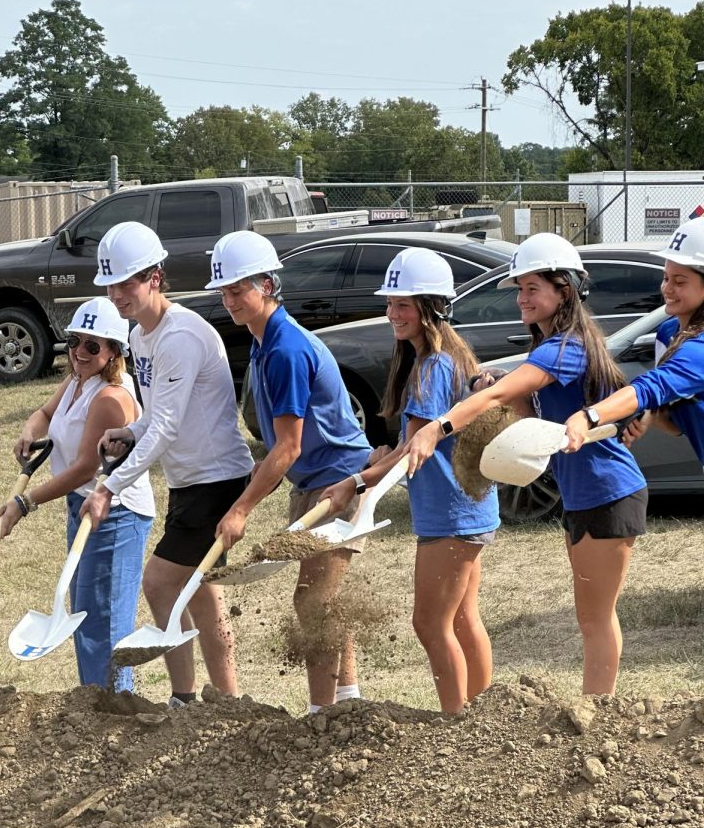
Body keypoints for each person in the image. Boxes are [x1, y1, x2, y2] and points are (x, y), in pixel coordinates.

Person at [407, 234, 648, 696]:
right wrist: (498, 386)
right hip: (584, 494)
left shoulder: (569, 346)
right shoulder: (553, 348)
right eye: (519, 289)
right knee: (590, 616)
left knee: (595, 618)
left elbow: (498, 398)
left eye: (532, 288)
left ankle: (597, 712)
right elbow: (530, 418)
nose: (522, 299)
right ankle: (596, 708)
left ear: (565, 291)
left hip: (610, 491)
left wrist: (437, 427)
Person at [563, 216, 704, 699]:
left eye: (681, 280)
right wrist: (649, 417)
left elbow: (651, 387)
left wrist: (589, 415)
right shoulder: (673, 333)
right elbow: (672, 409)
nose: (668, 287)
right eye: (667, 276)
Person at [79, 222, 253, 708]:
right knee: (198, 593)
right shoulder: (139, 336)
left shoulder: (181, 336)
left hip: (216, 477)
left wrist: (110, 487)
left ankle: (185, 697)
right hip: (190, 478)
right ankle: (227, 699)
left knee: (160, 582)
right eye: (110, 285)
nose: (117, 295)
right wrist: (128, 433)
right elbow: (155, 416)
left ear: (155, 277)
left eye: (127, 283)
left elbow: (168, 428)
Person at [322, 247, 501, 713]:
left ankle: (455, 721)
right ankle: (481, 719)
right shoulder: (445, 360)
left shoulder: (434, 366)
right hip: (468, 509)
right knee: (461, 618)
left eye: (403, 305)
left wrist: (356, 482)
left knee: (430, 623)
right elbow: (409, 445)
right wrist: (375, 465)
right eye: (390, 304)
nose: (392, 314)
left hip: (451, 515)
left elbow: (411, 451)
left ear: (432, 308)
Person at [206, 230, 372, 713]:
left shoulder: (283, 349)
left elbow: (289, 447)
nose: (230, 300)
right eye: (224, 291)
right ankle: (347, 700)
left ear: (268, 285)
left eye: (239, 290)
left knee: (313, 604)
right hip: (316, 480)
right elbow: (286, 449)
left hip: (338, 482)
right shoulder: (265, 341)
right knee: (324, 601)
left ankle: (322, 714)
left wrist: (241, 510)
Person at [0, 298, 154, 692]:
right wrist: (30, 430)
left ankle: (116, 708)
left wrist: (25, 502)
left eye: (92, 345)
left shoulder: (110, 398)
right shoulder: (77, 380)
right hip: (82, 506)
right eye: (74, 342)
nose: (80, 352)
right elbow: (46, 413)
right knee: (84, 615)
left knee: (104, 622)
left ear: (114, 351)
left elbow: (86, 467)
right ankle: (93, 705)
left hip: (113, 514)